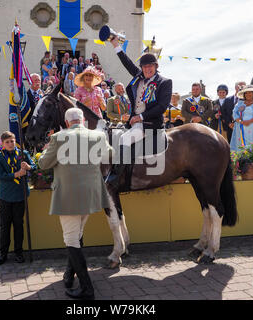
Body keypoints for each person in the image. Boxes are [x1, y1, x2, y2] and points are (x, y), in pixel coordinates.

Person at [38, 108, 113, 300]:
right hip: (91, 192)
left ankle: (87, 288)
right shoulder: (97, 135)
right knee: (77, 234)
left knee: (71, 239)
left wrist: (46, 150)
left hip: (69, 194)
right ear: (82, 120)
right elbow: (109, 155)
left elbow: (44, 164)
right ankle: (69, 276)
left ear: (67, 121)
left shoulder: (58, 137)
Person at [106, 35, 172, 189]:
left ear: (155, 66)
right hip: (135, 122)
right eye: (144, 66)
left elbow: (162, 107)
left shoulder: (164, 82)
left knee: (124, 139)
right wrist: (115, 44)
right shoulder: (139, 77)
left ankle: (116, 178)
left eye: (150, 66)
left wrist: (140, 117)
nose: (147, 69)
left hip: (149, 124)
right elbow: (126, 62)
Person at [0, 131, 36, 265]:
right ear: (3, 144)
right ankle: (3, 254)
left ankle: (19, 253)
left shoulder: (23, 154)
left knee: (19, 225)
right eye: (7, 142)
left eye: (12, 141)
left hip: (20, 195)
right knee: (4, 226)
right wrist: (16, 174)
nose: (11, 144)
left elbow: (34, 167)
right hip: (6, 196)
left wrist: (29, 167)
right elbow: (0, 175)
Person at [230, 85, 253, 151]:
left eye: (250, 92)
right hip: (240, 128)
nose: (248, 94)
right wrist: (241, 122)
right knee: (240, 144)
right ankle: (240, 158)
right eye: (246, 93)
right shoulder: (239, 104)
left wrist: (249, 122)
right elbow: (234, 113)